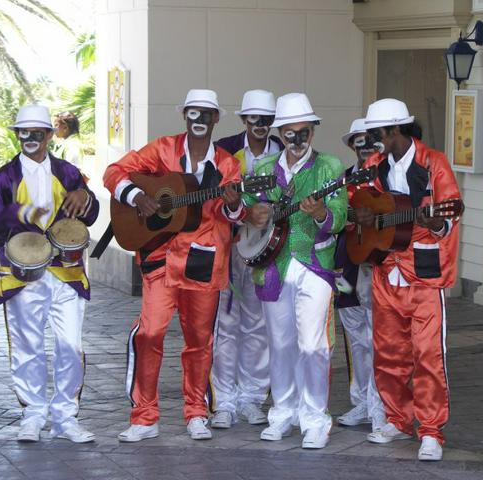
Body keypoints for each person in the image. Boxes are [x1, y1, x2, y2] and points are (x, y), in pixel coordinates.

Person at [103, 89, 244, 442]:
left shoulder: (228, 165)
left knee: (199, 341)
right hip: (161, 258)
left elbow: (237, 214)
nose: (198, 120)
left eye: (206, 114)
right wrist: (138, 197)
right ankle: (144, 417)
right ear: (184, 116)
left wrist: (231, 204)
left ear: (214, 120)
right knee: (149, 333)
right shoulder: (162, 149)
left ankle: (196, 412)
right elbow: (114, 172)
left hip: (203, 260)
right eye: (192, 113)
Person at [0, 104, 99, 443]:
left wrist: (84, 195)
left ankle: (65, 417)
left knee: (70, 345)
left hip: (67, 273)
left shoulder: (68, 172)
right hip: (21, 275)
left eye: (36, 133)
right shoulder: (3, 178)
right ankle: (32, 415)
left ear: (48, 135)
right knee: (28, 346)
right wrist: (16, 212)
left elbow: (92, 211)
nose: (29, 139)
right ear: (18, 135)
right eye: (23, 133)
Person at [354, 99, 461, 461]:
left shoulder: (434, 163)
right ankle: (398, 419)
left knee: (428, 354)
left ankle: (430, 430)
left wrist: (437, 222)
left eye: (376, 133)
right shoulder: (373, 165)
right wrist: (363, 215)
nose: (371, 141)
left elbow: (450, 215)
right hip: (386, 269)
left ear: (395, 130)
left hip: (424, 275)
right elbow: (356, 205)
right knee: (388, 353)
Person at [243, 93, 347, 449]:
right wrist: (251, 214)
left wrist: (320, 213)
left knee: (312, 344)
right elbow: (246, 206)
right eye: (290, 134)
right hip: (273, 265)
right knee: (281, 343)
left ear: (313, 131)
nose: (298, 141)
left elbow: (339, 217)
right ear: (280, 133)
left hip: (314, 265)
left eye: (304, 133)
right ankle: (283, 412)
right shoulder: (262, 168)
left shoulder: (329, 167)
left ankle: (315, 418)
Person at [209, 90, 283, 429]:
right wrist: (241, 213)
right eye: (255, 119)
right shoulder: (223, 150)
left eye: (267, 120)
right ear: (244, 120)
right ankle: (223, 401)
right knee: (225, 325)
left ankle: (252, 398)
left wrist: (271, 215)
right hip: (228, 247)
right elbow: (212, 200)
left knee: (257, 325)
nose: (261, 126)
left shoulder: (283, 152)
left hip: (265, 250)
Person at [334, 119, 386, 433]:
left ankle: (380, 405)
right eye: (358, 140)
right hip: (345, 269)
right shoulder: (342, 179)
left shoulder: (385, 178)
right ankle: (361, 403)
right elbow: (333, 218)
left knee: (378, 338)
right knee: (356, 340)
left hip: (375, 268)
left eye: (369, 140)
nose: (364, 145)